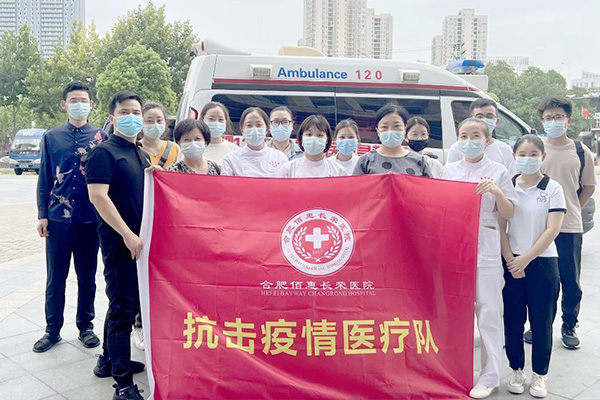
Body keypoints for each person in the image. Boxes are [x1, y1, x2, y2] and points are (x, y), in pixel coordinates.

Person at [440, 118, 517, 399]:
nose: (469, 141)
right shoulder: (448, 170)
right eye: (464, 135)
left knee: (489, 312)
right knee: (452, 313)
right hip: (453, 246)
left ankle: (490, 375)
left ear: (487, 140)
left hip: (485, 245)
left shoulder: (498, 170)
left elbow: (509, 213)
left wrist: (497, 192)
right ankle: (453, 371)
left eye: (475, 135)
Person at [85, 91, 150, 400]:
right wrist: (126, 233)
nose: (131, 117)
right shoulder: (103, 153)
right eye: (125, 112)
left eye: (136, 112)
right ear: (112, 118)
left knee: (125, 304)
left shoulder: (140, 154)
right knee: (123, 308)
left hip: (140, 243)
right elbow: (98, 196)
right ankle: (123, 384)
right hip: (119, 242)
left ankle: (108, 361)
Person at [34, 81, 106, 353]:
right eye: (74, 100)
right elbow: (45, 177)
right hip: (58, 219)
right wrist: (42, 214)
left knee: (87, 276)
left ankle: (85, 326)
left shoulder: (101, 137)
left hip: (90, 219)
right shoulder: (51, 137)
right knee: (56, 277)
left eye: (83, 100)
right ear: (64, 104)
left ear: (91, 104)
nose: (79, 104)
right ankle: (52, 330)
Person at [499, 134, 565, 398]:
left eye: (533, 155)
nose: (527, 159)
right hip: (511, 262)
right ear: (514, 157)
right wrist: (510, 260)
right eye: (522, 155)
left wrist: (525, 259)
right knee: (512, 320)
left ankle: (540, 374)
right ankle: (516, 370)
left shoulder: (553, 188)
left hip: (543, 262)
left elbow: (552, 230)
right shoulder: (507, 186)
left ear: (543, 157)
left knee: (541, 322)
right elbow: (500, 227)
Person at [536, 97, 596, 350]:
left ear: (568, 120)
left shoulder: (581, 151)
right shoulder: (535, 148)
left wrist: (571, 209)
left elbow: (589, 186)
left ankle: (569, 324)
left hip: (569, 226)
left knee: (570, 280)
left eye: (558, 117)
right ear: (542, 122)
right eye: (548, 118)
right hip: (538, 226)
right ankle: (540, 325)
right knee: (543, 280)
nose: (554, 122)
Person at [353, 103, 431, 177]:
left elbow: (429, 185)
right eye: (384, 127)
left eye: (396, 126)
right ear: (377, 130)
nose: (390, 131)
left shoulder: (420, 162)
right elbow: (356, 185)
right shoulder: (366, 161)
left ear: (405, 128)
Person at [447, 98, 517, 177]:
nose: (484, 120)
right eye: (479, 117)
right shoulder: (457, 148)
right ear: (471, 119)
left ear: (496, 121)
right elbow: (449, 177)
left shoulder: (505, 150)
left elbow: (511, 179)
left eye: (489, 116)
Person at [221, 107, 288, 177]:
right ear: (242, 130)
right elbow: (225, 183)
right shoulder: (231, 159)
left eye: (259, 125)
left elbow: (285, 182)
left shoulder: (280, 157)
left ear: (267, 128)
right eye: (249, 125)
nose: (254, 129)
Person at [277, 115, 347, 178]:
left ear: (327, 140)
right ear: (301, 138)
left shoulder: (339, 171)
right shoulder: (288, 169)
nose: (314, 139)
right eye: (309, 134)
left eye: (320, 135)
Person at [138, 102, 179, 168]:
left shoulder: (174, 149)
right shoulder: (134, 150)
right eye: (149, 121)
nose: (155, 124)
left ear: (165, 122)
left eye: (159, 120)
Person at [200, 101, 239, 165]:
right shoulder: (194, 148)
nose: (216, 123)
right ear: (201, 120)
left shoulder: (234, 150)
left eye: (221, 119)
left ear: (226, 122)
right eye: (211, 119)